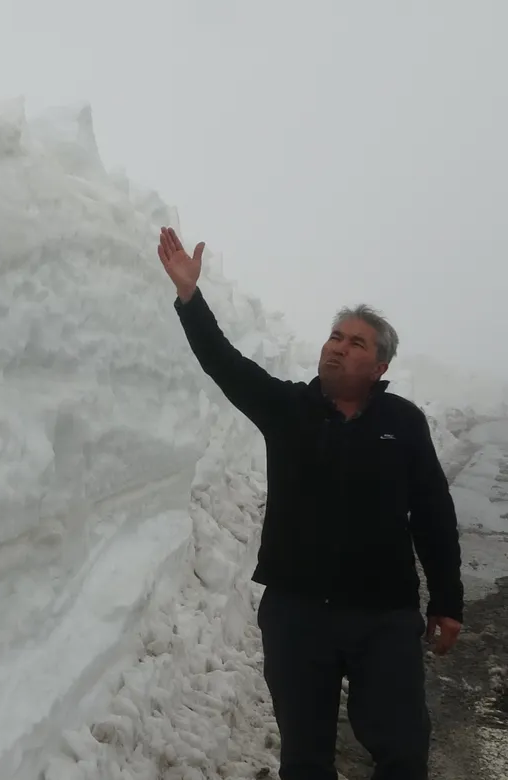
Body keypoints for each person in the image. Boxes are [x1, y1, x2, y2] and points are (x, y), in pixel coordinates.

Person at [156, 227, 463, 780]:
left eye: (356, 343)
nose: (338, 346)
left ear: (380, 367)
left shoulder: (403, 423)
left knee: (402, 750)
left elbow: (433, 512)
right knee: (303, 759)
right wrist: (189, 297)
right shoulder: (288, 408)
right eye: (335, 336)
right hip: (297, 614)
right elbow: (224, 363)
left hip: (384, 616)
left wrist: (447, 599)